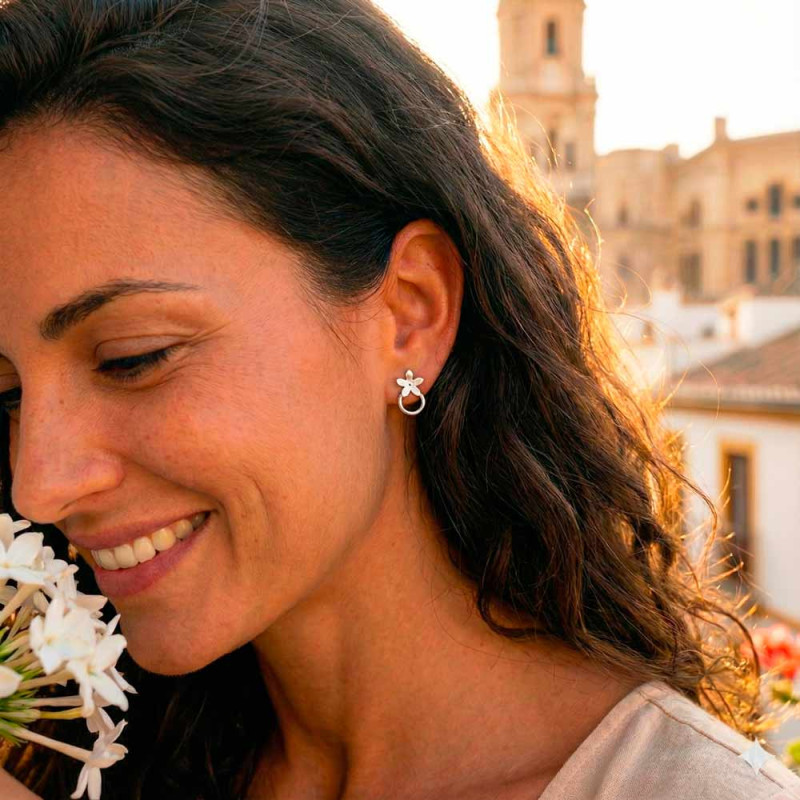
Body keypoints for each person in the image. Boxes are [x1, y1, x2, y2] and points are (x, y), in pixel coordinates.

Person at [0, 1, 799, 798]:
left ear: (409, 315)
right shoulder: (90, 766)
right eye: (6, 397)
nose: (40, 482)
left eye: (134, 358)